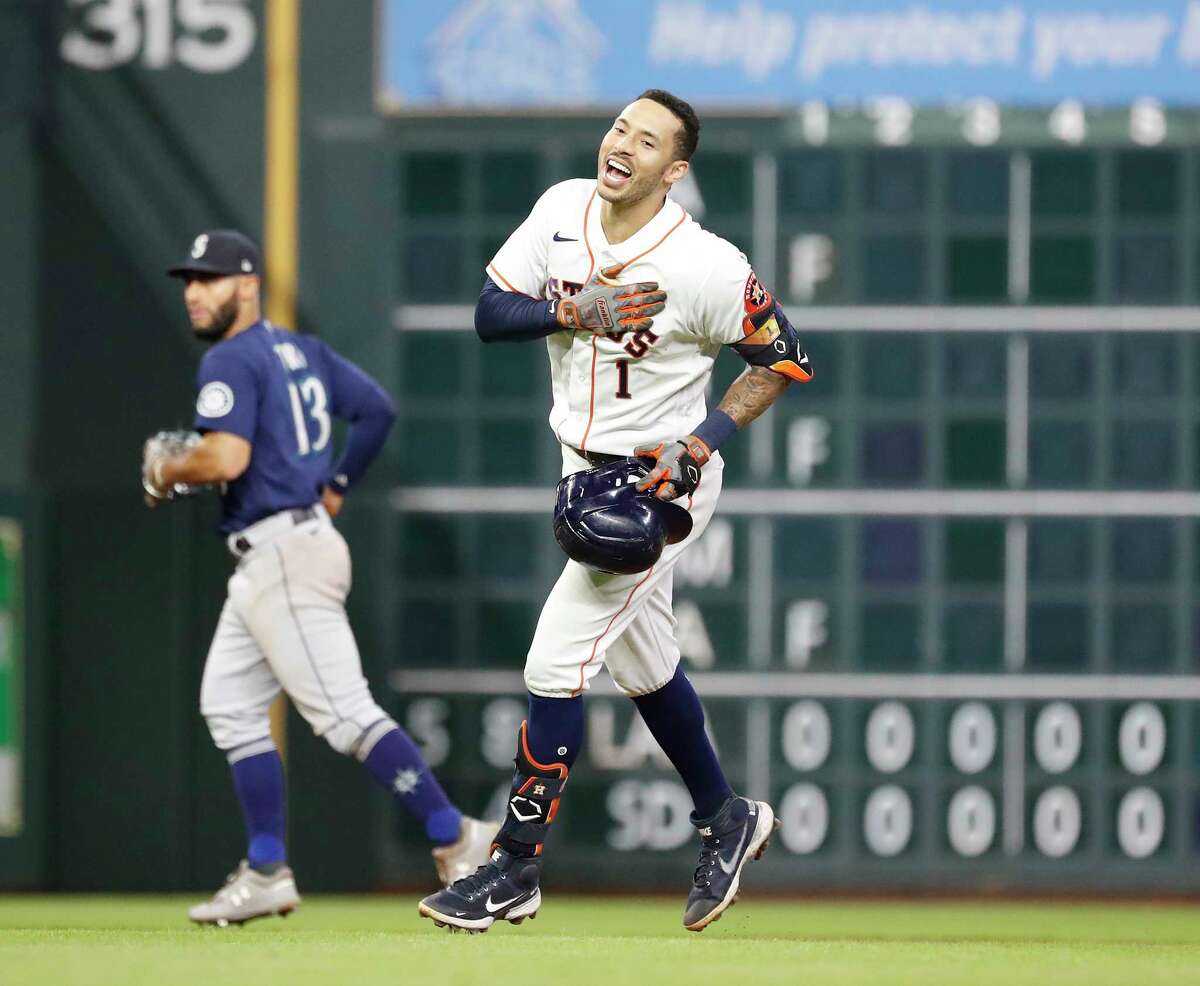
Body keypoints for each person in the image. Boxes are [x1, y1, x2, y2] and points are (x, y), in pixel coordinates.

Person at [417, 90, 811, 934]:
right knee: (646, 665)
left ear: (674, 171)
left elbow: (782, 359)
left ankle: (513, 868)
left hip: (659, 486)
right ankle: (727, 816)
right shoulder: (562, 209)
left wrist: (703, 441)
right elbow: (490, 314)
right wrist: (568, 310)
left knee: (555, 660)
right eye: (620, 128)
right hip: (580, 466)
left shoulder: (704, 263)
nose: (622, 144)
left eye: (647, 140)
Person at [145, 229, 495, 926]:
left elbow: (224, 459)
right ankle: (267, 868)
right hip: (281, 551)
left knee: (343, 716)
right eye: (188, 280)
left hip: (283, 555)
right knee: (230, 704)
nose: (193, 292)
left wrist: (167, 467)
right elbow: (376, 410)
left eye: (208, 279)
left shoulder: (231, 359)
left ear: (247, 285)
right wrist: (336, 482)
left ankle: (457, 837)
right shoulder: (299, 351)